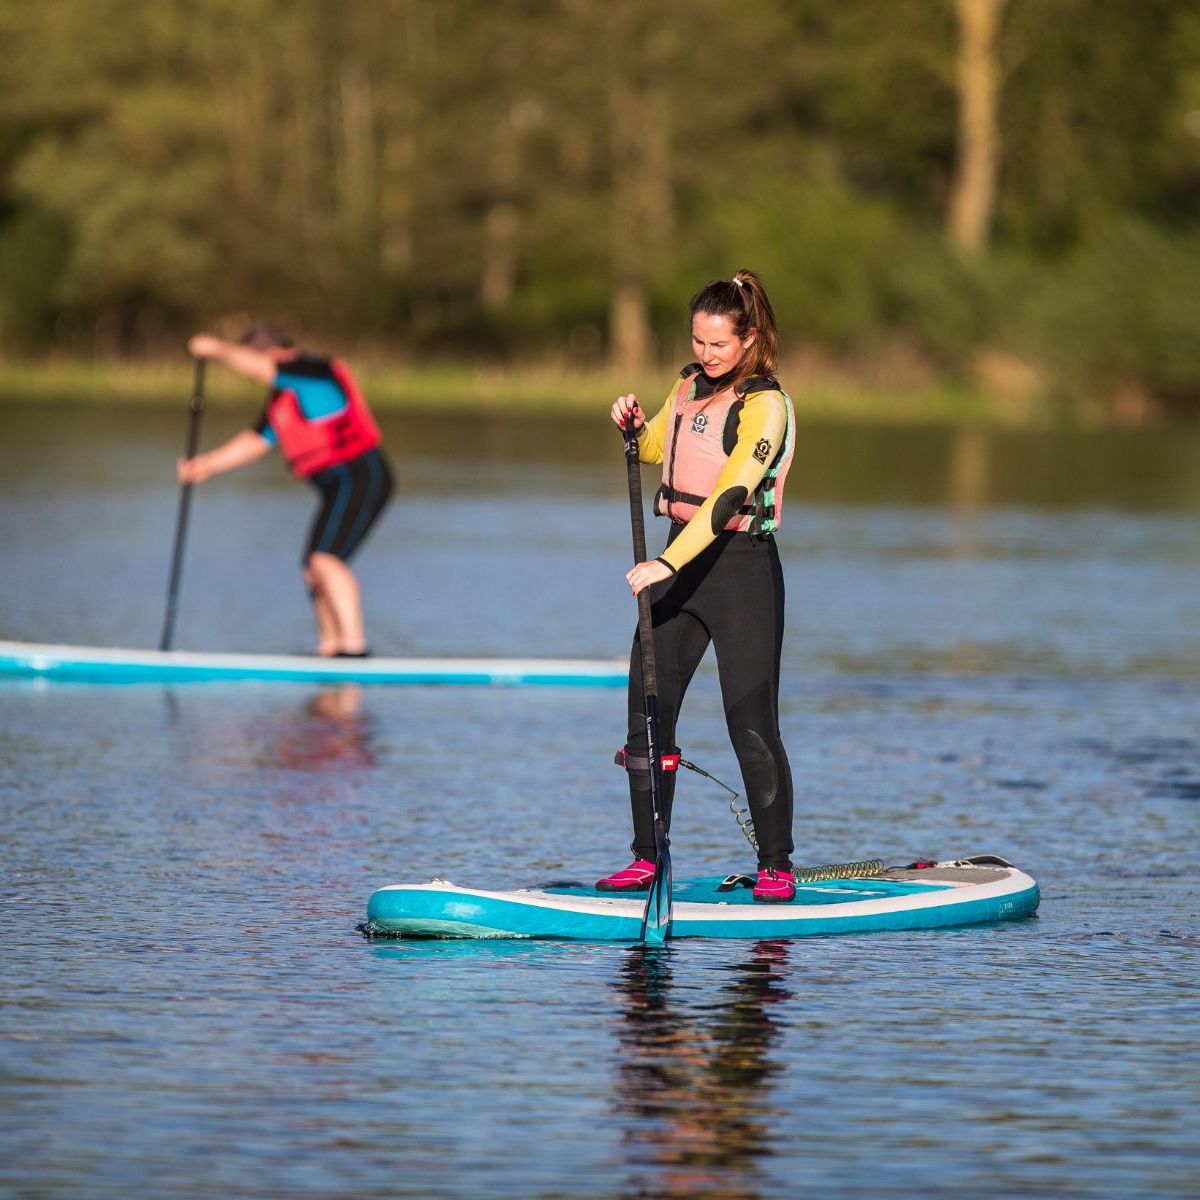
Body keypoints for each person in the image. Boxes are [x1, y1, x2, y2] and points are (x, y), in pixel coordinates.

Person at [599, 270, 797, 903]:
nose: (706, 355)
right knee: (647, 719)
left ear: (749, 338)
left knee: (750, 723)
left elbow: (730, 495)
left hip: (738, 571)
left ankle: (775, 865)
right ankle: (647, 858)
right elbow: (663, 444)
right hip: (678, 567)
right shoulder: (688, 383)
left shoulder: (766, 405)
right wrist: (634, 427)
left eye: (719, 344)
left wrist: (669, 565)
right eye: (698, 341)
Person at [177, 325, 393, 657]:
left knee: (326, 559)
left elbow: (259, 369)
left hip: (361, 476)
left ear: (275, 354)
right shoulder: (283, 399)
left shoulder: (312, 372)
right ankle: (330, 647)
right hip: (337, 484)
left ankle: (354, 649)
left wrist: (216, 349)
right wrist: (205, 466)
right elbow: (256, 441)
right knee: (313, 569)